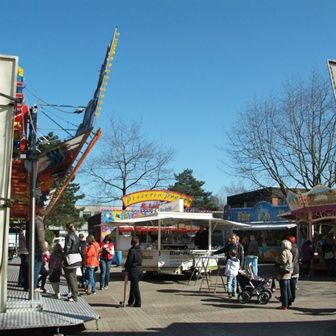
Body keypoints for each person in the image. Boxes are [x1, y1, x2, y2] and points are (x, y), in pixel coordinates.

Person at [63, 223, 82, 302]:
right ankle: (75, 294)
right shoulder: (76, 236)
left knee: (70, 277)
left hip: (70, 258)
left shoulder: (68, 236)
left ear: (67, 228)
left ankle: (74, 296)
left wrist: (64, 256)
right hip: (77, 258)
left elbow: (67, 247)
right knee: (74, 277)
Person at [124, 236, 143, 307]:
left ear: (132, 243)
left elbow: (129, 261)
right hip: (140, 270)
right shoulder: (140, 250)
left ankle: (138, 303)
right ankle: (130, 302)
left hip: (134, 270)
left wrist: (126, 268)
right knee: (133, 286)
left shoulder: (132, 250)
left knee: (135, 287)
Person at [275, 239, 293, 310]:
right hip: (288, 272)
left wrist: (277, 259)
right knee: (288, 289)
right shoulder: (290, 252)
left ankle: (284, 305)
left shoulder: (284, 252)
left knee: (283, 290)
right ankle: (288, 303)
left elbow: (283, 261)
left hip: (283, 272)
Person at [34, 208, 48, 290]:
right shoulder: (39, 223)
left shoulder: (32, 221)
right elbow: (40, 238)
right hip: (37, 249)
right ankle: (34, 286)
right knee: (36, 268)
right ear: (43, 215)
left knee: (34, 268)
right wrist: (44, 250)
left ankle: (33, 285)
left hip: (33, 248)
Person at [288, 236, 299, 305]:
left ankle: (291, 298)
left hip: (292, 269)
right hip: (296, 268)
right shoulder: (296, 248)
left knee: (291, 285)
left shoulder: (291, 249)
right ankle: (292, 297)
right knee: (293, 285)